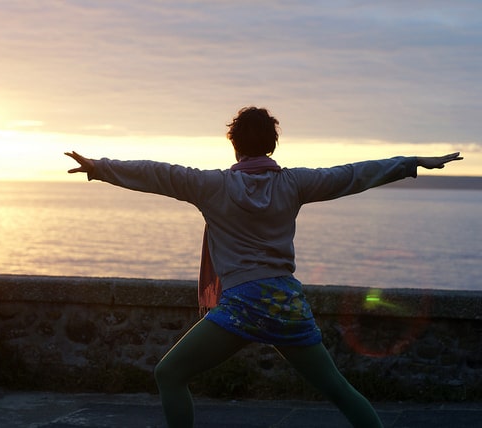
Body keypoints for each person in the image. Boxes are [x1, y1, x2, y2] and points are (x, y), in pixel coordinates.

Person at [65, 106, 462, 428]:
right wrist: (410, 162)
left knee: (169, 374)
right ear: (272, 145)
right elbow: (352, 175)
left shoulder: (213, 185)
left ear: (234, 145)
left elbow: (157, 173)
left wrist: (100, 167)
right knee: (339, 391)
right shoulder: (294, 184)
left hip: (241, 305)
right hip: (286, 302)